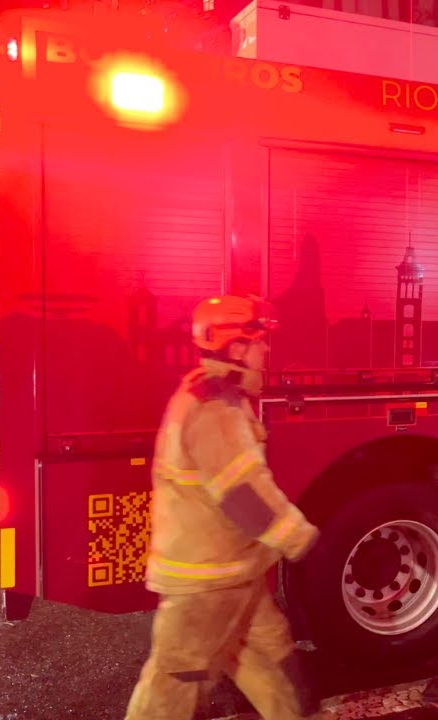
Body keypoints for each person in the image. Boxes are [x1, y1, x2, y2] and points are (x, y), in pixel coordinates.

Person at [126, 294, 321, 720]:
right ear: (236, 347)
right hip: (205, 583)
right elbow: (243, 495)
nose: (266, 350)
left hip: (235, 574)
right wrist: (302, 540)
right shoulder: (213, 409)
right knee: (174, 683)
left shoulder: (218, 398)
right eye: (259, 341)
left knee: (278, 667)